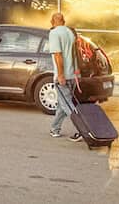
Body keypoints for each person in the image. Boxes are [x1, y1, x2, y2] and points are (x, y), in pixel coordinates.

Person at [48, 12, 82, 141]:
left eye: (51, 20)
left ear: (53, 21)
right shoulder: (70, 33)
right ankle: (54, 129)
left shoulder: (54, 33)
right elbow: (75, 54)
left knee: (67, 105)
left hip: (63, 76)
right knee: (63, 104)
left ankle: (82, 130)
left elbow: (58, 55)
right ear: (64, 21)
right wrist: (77, 71)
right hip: (73, 75)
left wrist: (61, 75)